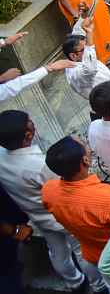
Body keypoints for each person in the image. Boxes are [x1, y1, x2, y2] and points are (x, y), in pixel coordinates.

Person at [0, 110, 88, 293]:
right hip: (61, 215)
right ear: (27, 135)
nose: (33, 122)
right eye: (30, 121)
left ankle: (74, 282)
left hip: (37, 215)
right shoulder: (38, 165)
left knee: (57, 250)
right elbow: (65, 186)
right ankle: (96, 283)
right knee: (81, 249)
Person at [41, 135, 110, 294]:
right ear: (85, 161)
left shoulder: (49, 190)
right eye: (85, 145)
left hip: (91, 253)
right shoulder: (107, 198)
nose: (88, 147)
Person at [61, 14, 110, 99]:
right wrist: (89, 45)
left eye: (86, 46)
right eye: (84, 48)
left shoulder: (78, 55)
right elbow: (89, 70)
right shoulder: (75, 74)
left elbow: (78, 30)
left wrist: (84, 15)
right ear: (73, 56)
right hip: (109, 102)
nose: (89, 50)